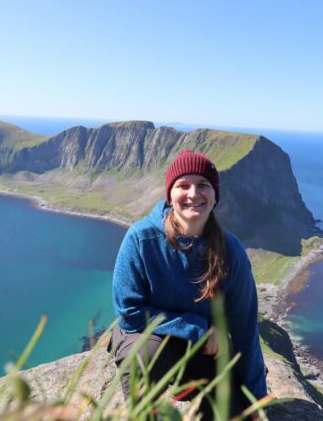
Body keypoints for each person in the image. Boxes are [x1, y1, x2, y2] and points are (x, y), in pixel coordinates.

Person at [109, 149, 267, 417]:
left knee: (233, 413)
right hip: (149, 338)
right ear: (170, 194)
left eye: (203, 185)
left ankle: (191, 388)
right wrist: (199, 329)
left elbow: (244, 328)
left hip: (200, 349)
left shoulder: (231, 250)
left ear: (215, 195)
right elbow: (129, 313)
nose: (193, 194)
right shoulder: (141, 238)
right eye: (183, 185)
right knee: (142, 357)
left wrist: (256, 398)